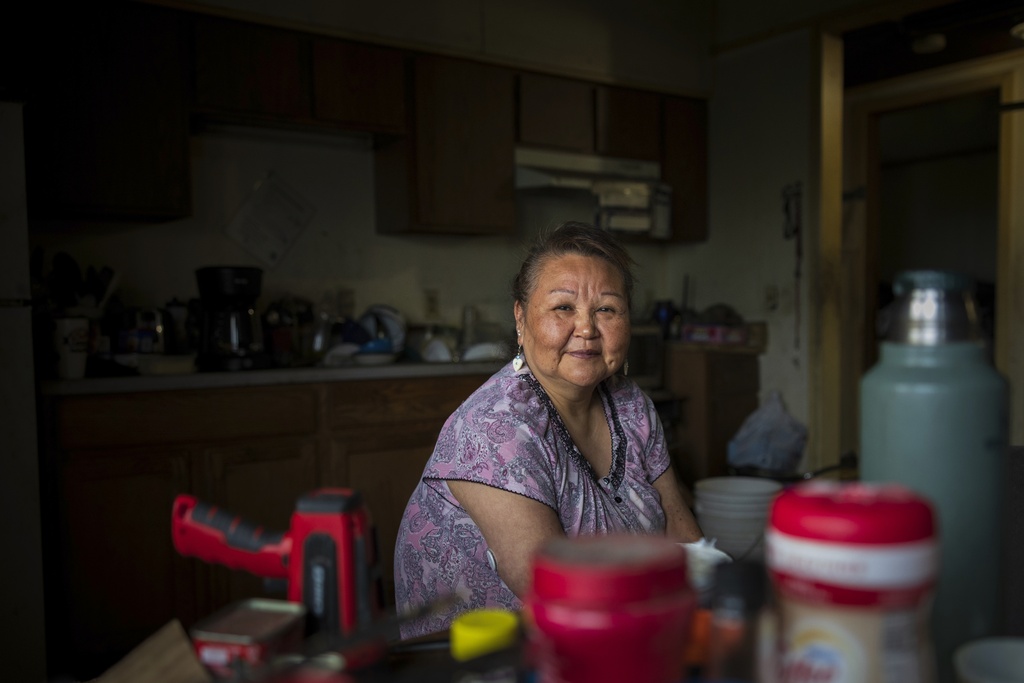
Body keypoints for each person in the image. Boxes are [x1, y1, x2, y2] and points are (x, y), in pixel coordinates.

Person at [393, 221, 702, 638]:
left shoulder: (632, 406)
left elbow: (684, 538)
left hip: (626, 635)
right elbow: (559, 592)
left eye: (607, 309)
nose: (587, 328)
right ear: (521, 318)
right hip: (490, 662)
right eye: (563, 308)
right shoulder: (492, 430)